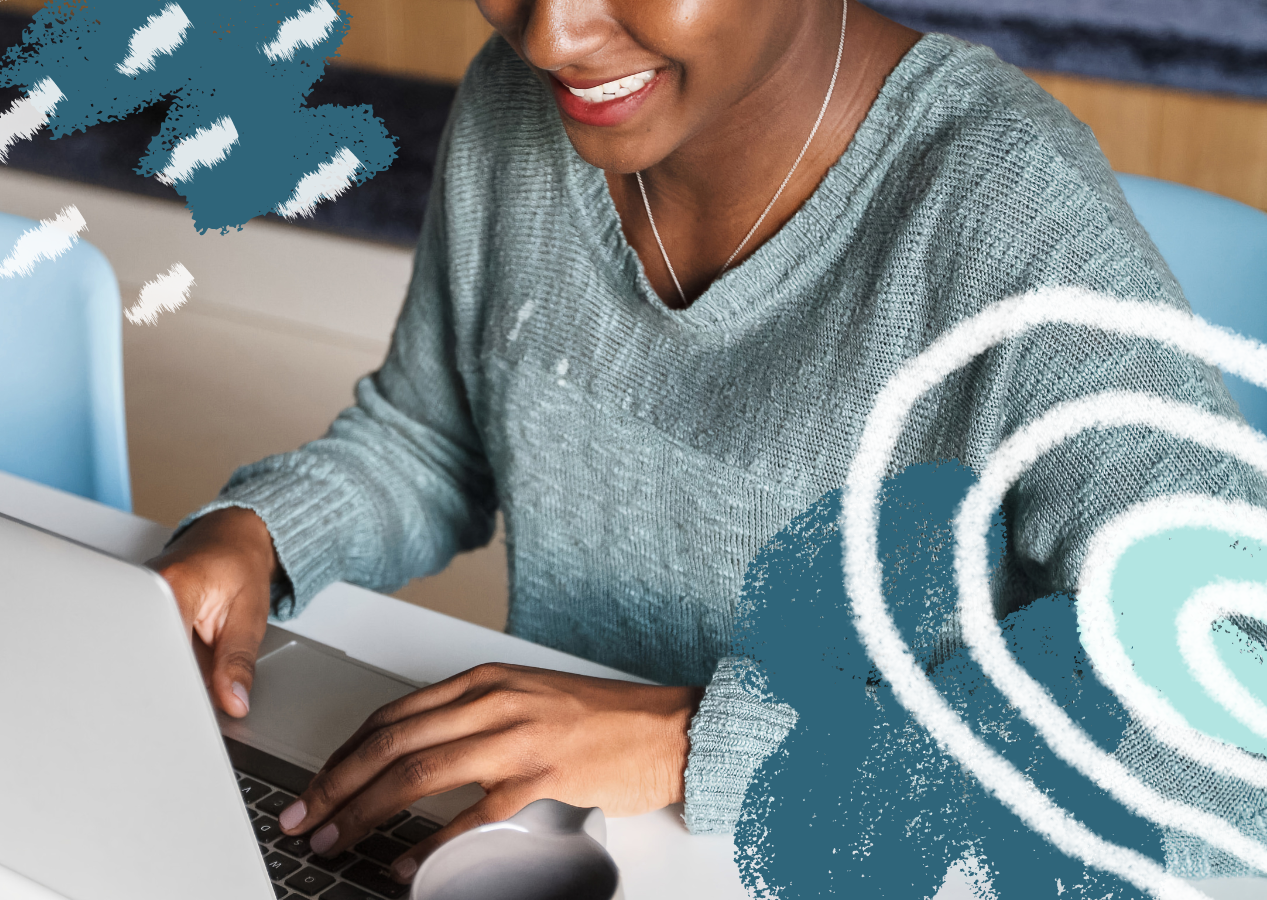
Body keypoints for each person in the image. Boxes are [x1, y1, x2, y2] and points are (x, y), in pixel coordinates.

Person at [148, 0, 1261, 886]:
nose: (552, 35)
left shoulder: (1004, 210)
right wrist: (260, 536)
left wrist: (699, 745)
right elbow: (433, 437)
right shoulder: (518, 105)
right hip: (565, 841)